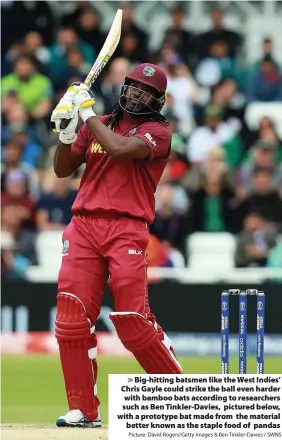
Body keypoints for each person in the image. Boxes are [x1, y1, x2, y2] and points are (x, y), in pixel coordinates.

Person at [50, 63, 184, 428]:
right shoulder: (102, 122)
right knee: (71, 319)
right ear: (124, 87)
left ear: (158, 101)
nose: (138, 94)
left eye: (147, 92)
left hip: (127, 228)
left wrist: (86, 111)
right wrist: (65, 132)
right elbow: (63, 170)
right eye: (134, 87)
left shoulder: (157, 132)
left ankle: (180, 397)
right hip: (83, 227)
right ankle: (82, 409)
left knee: (133, 323)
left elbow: (120, 149)